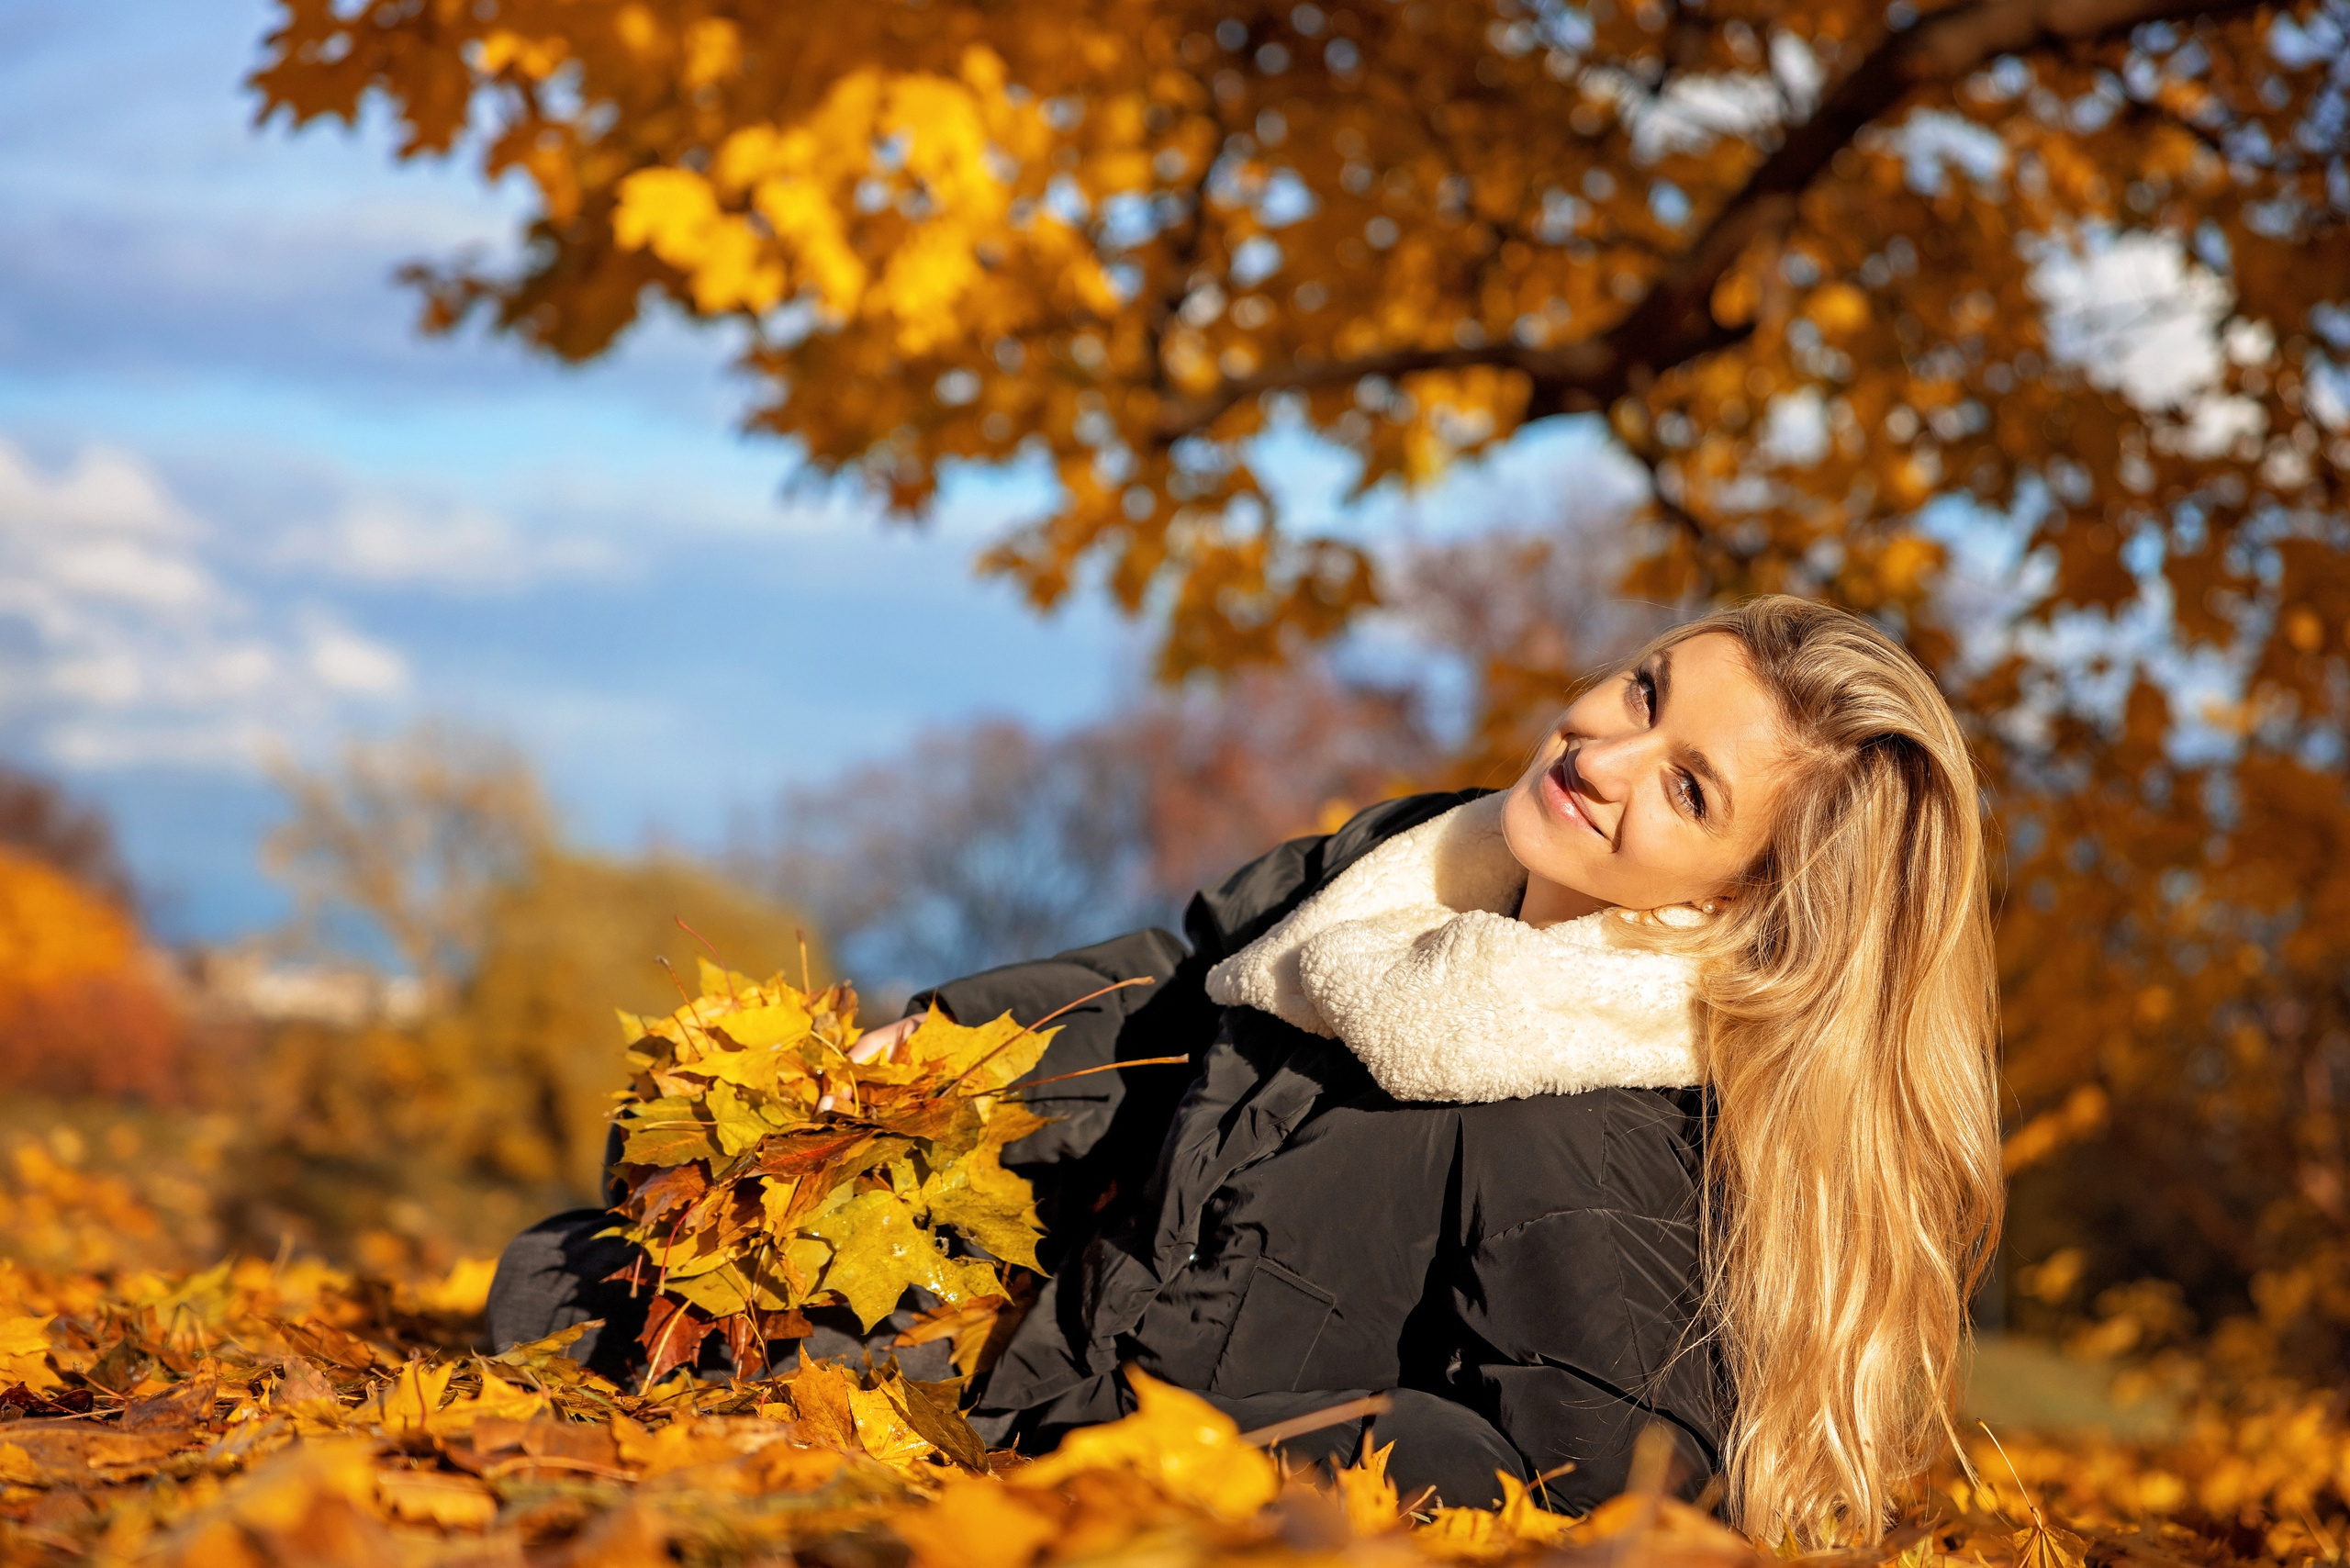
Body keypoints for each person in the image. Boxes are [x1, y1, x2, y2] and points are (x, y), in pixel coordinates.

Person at [488, 596, 2002, 1545]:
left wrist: (1208, 1486)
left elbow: (1599, 1497)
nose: (1604, 749)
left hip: (1127, 1498)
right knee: (588, 1272)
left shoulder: (1594, 1131)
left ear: (1739, 901)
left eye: (1685, 786)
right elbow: (1172, 987)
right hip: (1037, 1384)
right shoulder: (1398, 871)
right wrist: (925, 1063)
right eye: (1648, 689)